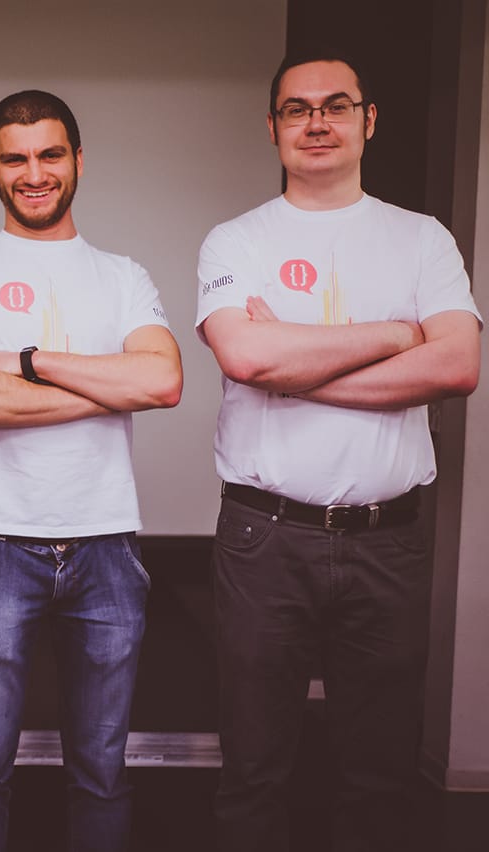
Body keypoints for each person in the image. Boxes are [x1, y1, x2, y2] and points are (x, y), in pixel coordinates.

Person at [196, 50, 481, 852]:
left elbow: (458, 366)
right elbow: (245, 357)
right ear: (272, 127)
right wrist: (396, 335)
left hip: (389, 540)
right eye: (297, 108)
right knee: (254, 768)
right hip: (265, 538)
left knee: (379, 772)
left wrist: (294, 365)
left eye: (336, 105)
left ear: (368, 120)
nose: (316, 122)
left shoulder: (421, 239)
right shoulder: (236, 241)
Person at [0, 90, 183, 852]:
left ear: (77, 160)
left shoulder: (122, 275)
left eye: (50, 155)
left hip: (108, 547)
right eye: (15, 159)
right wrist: (109, 387)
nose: (34, 174)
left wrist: (32, 363)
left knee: (102, 771)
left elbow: (164, 380)